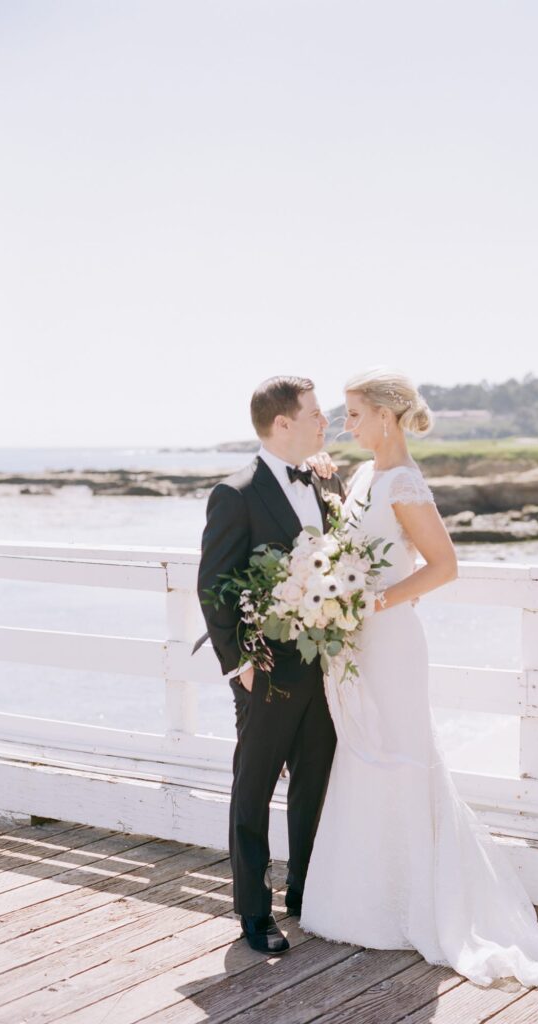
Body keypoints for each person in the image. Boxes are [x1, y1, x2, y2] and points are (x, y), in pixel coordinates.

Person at [299, 368, 538, 991]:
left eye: (355, 415)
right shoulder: (366, 476)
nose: (348, 425)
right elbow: (351, 552)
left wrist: (374, 603)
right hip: (358, 643)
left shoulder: (402, 480)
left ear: (388, 417)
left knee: (400, 756)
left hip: (390, 641)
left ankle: (411, 904)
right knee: (363, 756)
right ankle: (364, 900)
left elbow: (444, 565)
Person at [194, 376, 344, 956]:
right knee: (253, 788)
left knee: (314, 782)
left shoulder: (323, 479)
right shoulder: (235, 493)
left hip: (321, 666)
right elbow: (213, 586)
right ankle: (253, 912)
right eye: (316, 415)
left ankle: (305, 893)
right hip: (267, 669)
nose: (324, 424)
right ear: (283, 424)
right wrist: (240, 666)